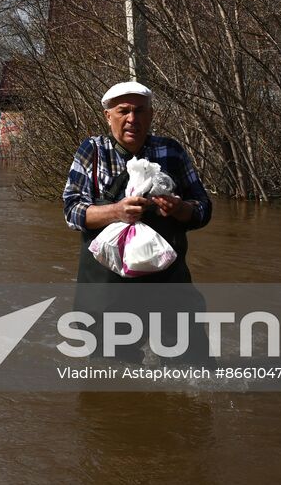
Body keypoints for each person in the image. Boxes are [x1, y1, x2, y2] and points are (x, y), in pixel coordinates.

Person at [63, 80, 212, 361]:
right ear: (108, 116)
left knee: (194, 366)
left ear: (151, 115)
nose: (133, 119)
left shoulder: (172, 151)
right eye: (124, 111)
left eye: (140, 111)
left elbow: (203, 209)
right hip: (107, 291)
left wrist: (180, 208)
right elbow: (72, 212)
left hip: (168, 285)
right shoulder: (92, 152)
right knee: (107, 377)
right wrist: (116, 211)